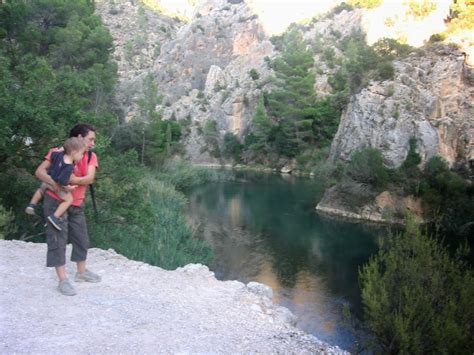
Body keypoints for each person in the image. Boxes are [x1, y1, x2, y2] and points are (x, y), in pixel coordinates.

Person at [35, 123, 101, 296]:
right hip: (56, 201)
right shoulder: (57, 152)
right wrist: (57, 184)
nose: (93, 143)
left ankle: (81, 272)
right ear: (79, 137)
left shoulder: (90, 156)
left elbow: (90, 178)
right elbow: (40, 172)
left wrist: (69, 179)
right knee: (57, 239)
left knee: (81, 237)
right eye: (91, 139)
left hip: (77, 202)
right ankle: (62, 280)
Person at [26, 137, 87, 231]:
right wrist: (69, 188)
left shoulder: (58, 155)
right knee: (69, 199)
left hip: (47, 180)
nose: (82, 156)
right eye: (81, 154)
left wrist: (62, 149)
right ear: (74, 153)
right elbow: (62, 181)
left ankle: (32, 205)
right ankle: (55, 217)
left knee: (41, 190)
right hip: (56, 186)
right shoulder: (69, 167)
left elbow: (53, 154)